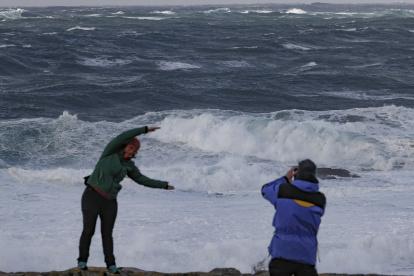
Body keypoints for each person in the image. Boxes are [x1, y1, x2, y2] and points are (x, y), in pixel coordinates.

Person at [77, 126, 174, 273]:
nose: (132, 151)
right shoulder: (109, 153)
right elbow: (123, 135)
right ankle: (82, 261)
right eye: (131, 147)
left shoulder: (129, 165)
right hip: (92, 196)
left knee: (107, 234)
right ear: (125, 146)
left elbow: (141, 179)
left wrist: (163, 185)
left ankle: (111, 265)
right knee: (89, 230)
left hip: (110, 201)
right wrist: (145, 129)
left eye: (135, 150)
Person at [261, 159, 326, 276]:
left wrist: (286, 178)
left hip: (281, 253)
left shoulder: (283, 191)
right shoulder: (320, 200)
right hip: (306, 256)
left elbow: (265, 190)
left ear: (296, 173)